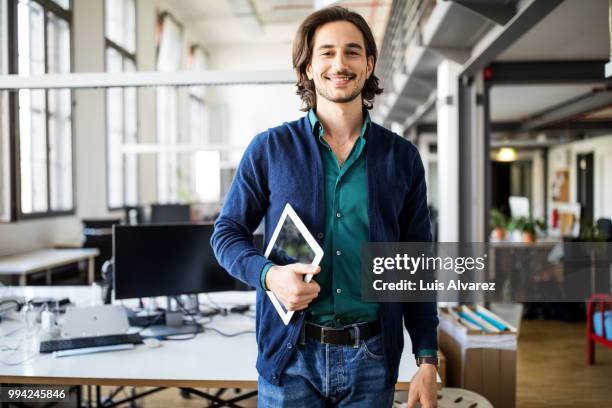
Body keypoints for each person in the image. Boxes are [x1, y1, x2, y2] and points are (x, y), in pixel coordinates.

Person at [211, 6, 438, 408]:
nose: (340, 63)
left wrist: (426, 358)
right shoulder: (270, 149)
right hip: (290, 355)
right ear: (308, 67)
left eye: (352, 52)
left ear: (368, 65)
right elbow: (226, 234)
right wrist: (270, 276)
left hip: (371, 358)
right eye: (327, 52)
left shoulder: (401, 158)